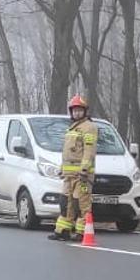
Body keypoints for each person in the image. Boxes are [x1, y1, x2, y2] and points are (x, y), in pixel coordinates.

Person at [50, 94, 98, 242]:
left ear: (85, 111)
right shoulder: (72, 128)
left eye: (79, 110)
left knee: (81, 204)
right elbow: (67, 153)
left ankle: (82, 233)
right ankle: (63, 230)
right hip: (69, 176)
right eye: (74, 110)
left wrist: (84, 169)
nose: (77, 113)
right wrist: (62, 168)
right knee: (66, 203)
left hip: (81, 176)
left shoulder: (89, 128)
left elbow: (89, 150)